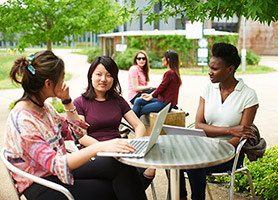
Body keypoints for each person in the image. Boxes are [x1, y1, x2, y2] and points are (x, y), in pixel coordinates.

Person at [5, 51, 147, 200]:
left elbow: (76, 133)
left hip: (57, 172)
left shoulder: (44, 108)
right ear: (48, 83)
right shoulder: (24, 120)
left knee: (119, 165)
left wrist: (67, 101)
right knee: (113, 187)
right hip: (43, 184)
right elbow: (56, 164)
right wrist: (100, 147)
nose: (64, 82)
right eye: (62, 78)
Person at [183, 43, 259, 200]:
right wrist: (229, 130)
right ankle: (180, 197)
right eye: (210, 68)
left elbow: (240, 136)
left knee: (194, 162)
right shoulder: (207, 89)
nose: (210, 73)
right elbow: (199, 125)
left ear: (230, 69)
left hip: (229, 155)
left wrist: (218, 146)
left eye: (215, 69)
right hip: (203, 149)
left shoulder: (248, 95)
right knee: (175, 156)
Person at [73, 56, 155, 189]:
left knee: (150, 169)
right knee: (126, 173)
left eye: (109, 75)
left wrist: (136, 145)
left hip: (119, 152)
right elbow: (82, 137)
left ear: (114, 79)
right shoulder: (80, 102)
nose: (103, 79)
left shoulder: (118, 101)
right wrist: (106, 148)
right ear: (91, 76)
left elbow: (139, 125)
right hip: (94, 153)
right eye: (99, 74)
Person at [132, 50, 182, 118]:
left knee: (140, 109)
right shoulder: (175, 73)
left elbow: (162, 87)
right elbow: (162, 88)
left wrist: (151, 97)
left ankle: (131, 124)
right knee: (138, 100)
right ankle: (131, 124)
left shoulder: (169, 73)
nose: (162, 59)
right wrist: (149, 95)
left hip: (164, 104)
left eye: (164, 57)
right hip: (162, 101)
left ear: (168, 60)